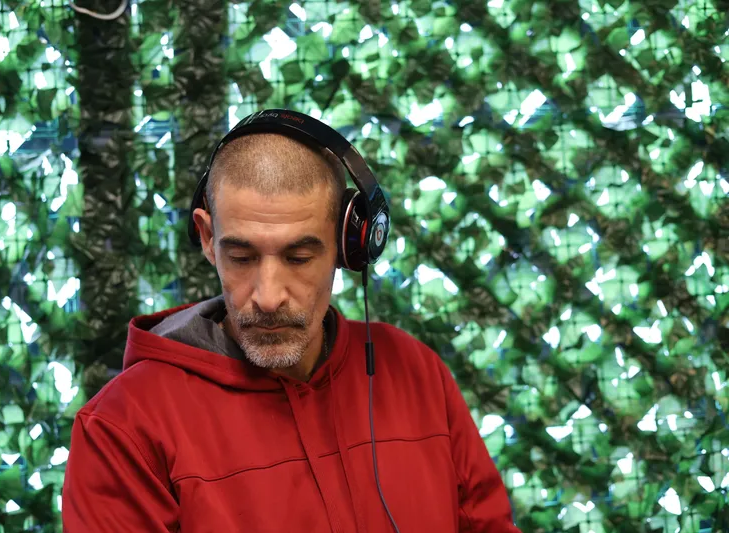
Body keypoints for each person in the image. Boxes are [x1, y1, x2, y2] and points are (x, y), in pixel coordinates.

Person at [62, 111, 522, 532]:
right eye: (240, 257)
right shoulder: (121, 428)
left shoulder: (415, 372)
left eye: (299, 257)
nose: (268, 296)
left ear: (349, 245)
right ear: (207, 238)